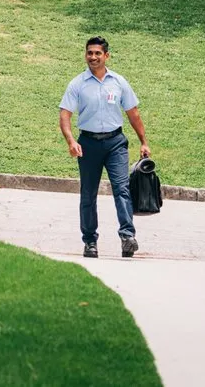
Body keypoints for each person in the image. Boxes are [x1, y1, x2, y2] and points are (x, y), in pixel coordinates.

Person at [59, 37, 151, 259]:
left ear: (106, 56)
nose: (93, 57)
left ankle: (127, 237)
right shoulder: (77, 84)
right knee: (88, 194)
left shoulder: (118, 82)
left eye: (97, 53)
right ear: (85, 55)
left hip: (115, 143)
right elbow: (65, 115)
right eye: (89, 53)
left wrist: (143, 141)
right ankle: (90, 242)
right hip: (88, 144)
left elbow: (133, 113)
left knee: (122, 189)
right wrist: (71, 141)